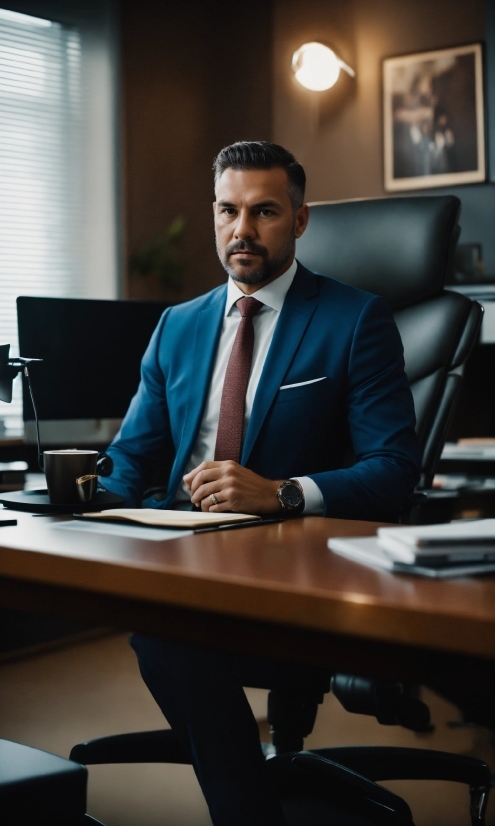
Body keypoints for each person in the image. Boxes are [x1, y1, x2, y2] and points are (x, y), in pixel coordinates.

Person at [104, 141, 420, 825]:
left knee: (166, 636)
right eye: (227, 211)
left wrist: (278, 491)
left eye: (263, 211)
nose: (240, 230)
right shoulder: (176, 326)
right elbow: (129, 463)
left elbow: (394, 473)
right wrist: (72, 494)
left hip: (293, 567)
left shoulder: (353, 319)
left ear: (300, 220)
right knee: (164, 623)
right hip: (180, 554)